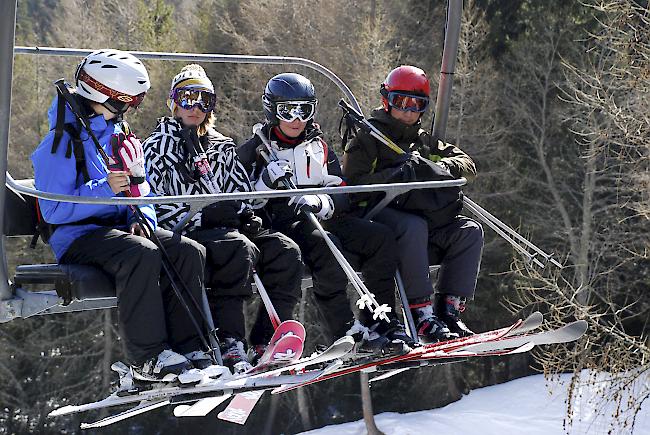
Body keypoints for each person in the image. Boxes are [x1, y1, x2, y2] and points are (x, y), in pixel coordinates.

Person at [31, 49, 213, 381]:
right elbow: (53, 208)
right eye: (121, 104)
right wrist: (104, 189)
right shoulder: (60, 142)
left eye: (132, 104)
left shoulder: (120, 135)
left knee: (187, 251)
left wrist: (141, 217)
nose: (126, 111)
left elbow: (141, 189)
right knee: (140, 254)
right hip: (77, 236)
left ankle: (190, 347)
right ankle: (147, 358)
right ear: (98, 94)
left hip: (119, 229)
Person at [238, 73, 414, 355]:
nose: (296, 119)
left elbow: (342, 192)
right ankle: (343, 330)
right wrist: (265, 184)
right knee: (324, 245)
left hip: (321, 214)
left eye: (304, 111)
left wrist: (323, 202)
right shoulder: (256, 150)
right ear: (272, 110)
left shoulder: (319, 147)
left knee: (380, 238)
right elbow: (240, 201)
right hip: (283, 221)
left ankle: (381, 321)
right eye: (287, 111)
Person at [143, 65, 303, 372]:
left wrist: (246, 213)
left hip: (228, 229)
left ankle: (268, 341)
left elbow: (241, 192)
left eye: (204, 100)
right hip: (186, 231)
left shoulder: (220, 146)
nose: (195, 107)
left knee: (285, 251)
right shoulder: (157, 147)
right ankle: (230, 341)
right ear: (173, 102)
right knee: (236, 248)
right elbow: (155, 206)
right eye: (187, 98)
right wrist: (203, 215)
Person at [342, 65, 484, 341]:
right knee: (413, 226)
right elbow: (353, 187)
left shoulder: (423, 141)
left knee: (468, 231)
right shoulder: (368, 138)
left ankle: (449, 310)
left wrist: (436, 167)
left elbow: (467, 166)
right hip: (379, 214)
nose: (409, 111)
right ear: (387, 101)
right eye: (402, 102)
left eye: (417, 104)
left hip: (424, 214)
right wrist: (395, 175)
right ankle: (421, 313)